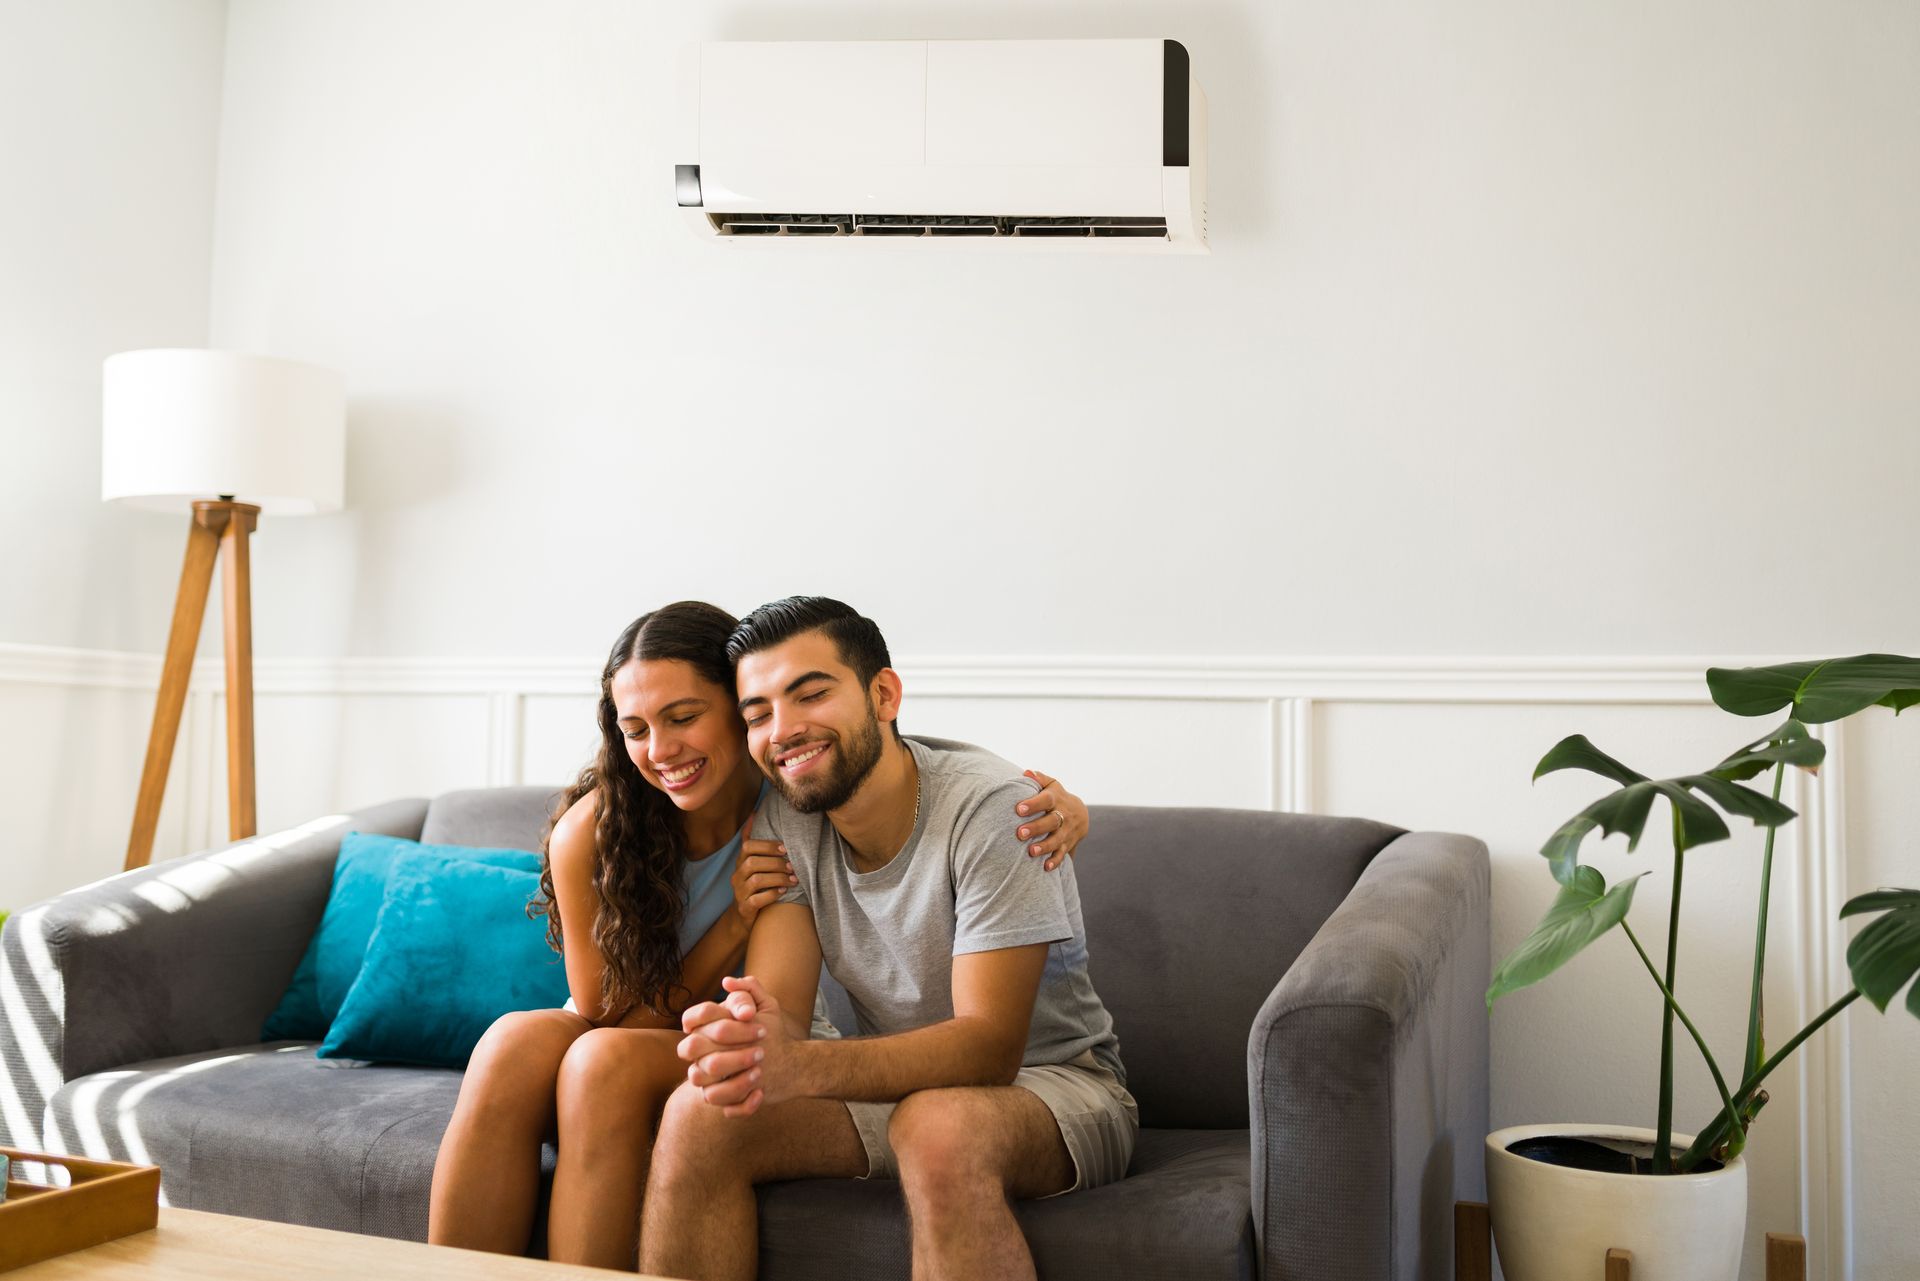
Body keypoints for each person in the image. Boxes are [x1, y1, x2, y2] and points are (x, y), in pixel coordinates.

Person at [426, 601, 1091, 1268]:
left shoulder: (801, 792)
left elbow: (908, 758)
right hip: (631, 1016)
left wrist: (1045, 799)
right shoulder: (627, 825)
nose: (661, 749)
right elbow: (613, 1010)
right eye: (636, 729)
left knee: (605, 1066)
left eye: (683, 716)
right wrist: (737, 927)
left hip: (742, 1039)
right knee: (512, 1043)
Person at [640, 597, 1134, 1281]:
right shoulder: (785, 812)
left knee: (937, 1126)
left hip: (1054, 1086)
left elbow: (990, 1047)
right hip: (897, 1094)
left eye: (810, 693)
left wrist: (797, 1064)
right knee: (702, 1112)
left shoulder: (997, 810)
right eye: (758, 713)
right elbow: (776, 1019)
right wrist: (741, 1041)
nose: (783, 729)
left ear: (883, 694)